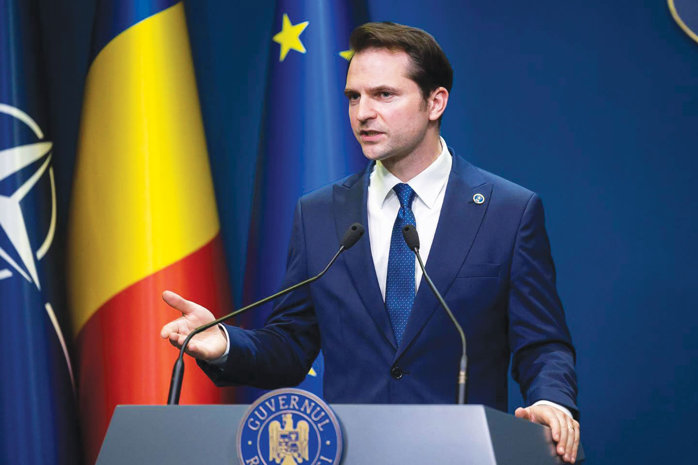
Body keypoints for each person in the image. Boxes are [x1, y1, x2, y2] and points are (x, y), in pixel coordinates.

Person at [161, 22, 580, 463]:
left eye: (384, 95)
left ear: (435, 102)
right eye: (353, 97)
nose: (363, 113)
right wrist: (224, 342)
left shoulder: (507, 211)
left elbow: (542, 344)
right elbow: (290, 347)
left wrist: (551, 401)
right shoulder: (319, 213)